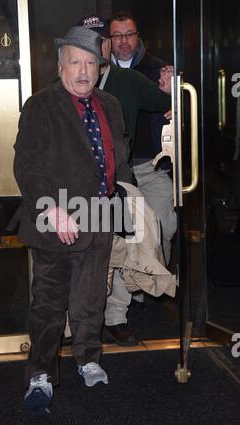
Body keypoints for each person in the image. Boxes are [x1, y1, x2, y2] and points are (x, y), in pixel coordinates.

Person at [13, 26, 132, 416]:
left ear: (100, 67)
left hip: (100, 214)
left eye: (90, 63)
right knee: (48, 304)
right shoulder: (41, 105)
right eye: (74, 62)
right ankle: (40, 374)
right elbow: (26, 165)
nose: (83, 72)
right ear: (60, 65)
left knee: (91, 297)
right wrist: (50, 206)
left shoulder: (110, 104)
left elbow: (117, 156)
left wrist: (123, 198)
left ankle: (88, 358)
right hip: (55, 217)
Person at [77, 16, 173, 346]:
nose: (96, 46)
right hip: (79, 184)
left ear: (107, 46)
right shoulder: (68, 83)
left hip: (119, 178)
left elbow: (168, 102)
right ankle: (79, 319)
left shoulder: (128, 80)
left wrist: (171, 92)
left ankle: (116, 316)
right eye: (88, 40)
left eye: (100, 40)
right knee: (88, 252)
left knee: (118, 245)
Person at [109, 11, 177, 266]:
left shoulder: (159, 69)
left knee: (162, 226)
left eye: (129, 35)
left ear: (138, 37)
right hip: (116, 167)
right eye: (118, 35)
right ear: (109, 39)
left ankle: (157, 284)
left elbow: (179, 110)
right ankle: (133, 290)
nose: (124, 41)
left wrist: (169, 100)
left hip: (152, 163)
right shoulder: (98, 71)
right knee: (124, 232)